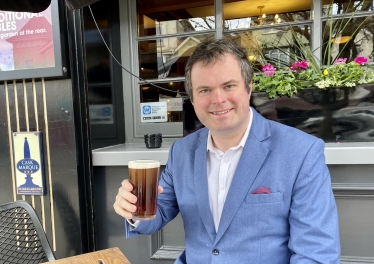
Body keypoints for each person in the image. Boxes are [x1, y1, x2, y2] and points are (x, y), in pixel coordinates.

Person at [114, 39, 340, 263]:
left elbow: (316, 255)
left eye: (229, 86)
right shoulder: (181, 151)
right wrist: (132, 208)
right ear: (192, 99)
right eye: (205, 90)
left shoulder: (301, 152)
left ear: (249, 88)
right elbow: (158, 212)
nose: (218, 99)